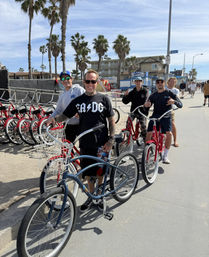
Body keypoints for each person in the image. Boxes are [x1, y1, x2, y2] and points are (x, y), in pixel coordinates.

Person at [47, 69, 115, 212]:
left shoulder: (104, 99)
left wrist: (111, 139)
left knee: (100, 171)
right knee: (89, 172)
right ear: (84, 82)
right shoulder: (78, 101)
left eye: (93, 81)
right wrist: (53, 119)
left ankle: (99, 195)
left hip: (102, 142)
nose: (90, 84)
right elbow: (65, 115)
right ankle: (91, 196)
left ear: (97, 83)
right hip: (84, 142)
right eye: (88, 81)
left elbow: (111, 120)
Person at [144, 78, 183, 164]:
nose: (159, 84)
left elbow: (180, 105)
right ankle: (145, 153)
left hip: (166, 116)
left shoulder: (169, 93)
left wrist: (174, 102)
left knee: (169, 133)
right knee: (149, 133)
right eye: (158, 82)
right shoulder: (153, 95)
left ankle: (165, 155)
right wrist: (146, 105)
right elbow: (146, 109)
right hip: (155, 116)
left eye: (161, 82)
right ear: (156, 84)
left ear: (164, 83)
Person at [49, 71, 85, 142]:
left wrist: (80, 112)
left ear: (72, 79)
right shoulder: (62, 95)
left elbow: (87, 102)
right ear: (61, 82)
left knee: (84, 148)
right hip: (68, 125)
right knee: (67, 148)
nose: (65, 80)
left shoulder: (79, 90)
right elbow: (58, 110)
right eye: (63, 79)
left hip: (82, 124)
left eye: (67, 78)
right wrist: (50, 118)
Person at [122, 76, 149, 141]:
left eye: (139, 81)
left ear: (141, 82)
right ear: (134, 82)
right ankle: (128, 137)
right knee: (128, 123)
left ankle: (145, 140)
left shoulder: (145, 91)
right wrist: (125, 95)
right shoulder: (132, 92)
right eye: (136, 81)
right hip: (134, 111)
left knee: (143, 126)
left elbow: (146, 100)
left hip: (142, 112)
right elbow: (125, 102)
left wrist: (145, 104)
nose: (138, 83)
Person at [166, 77, 180, 147]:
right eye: (171, 81)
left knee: (173, 124)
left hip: (170, 109)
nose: (172, 83)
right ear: (168, 82)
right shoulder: (164, 89)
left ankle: (175, 140)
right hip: (161, 108)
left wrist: (171, 101)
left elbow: (176, 99)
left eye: (174, 82)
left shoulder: (176, 90)